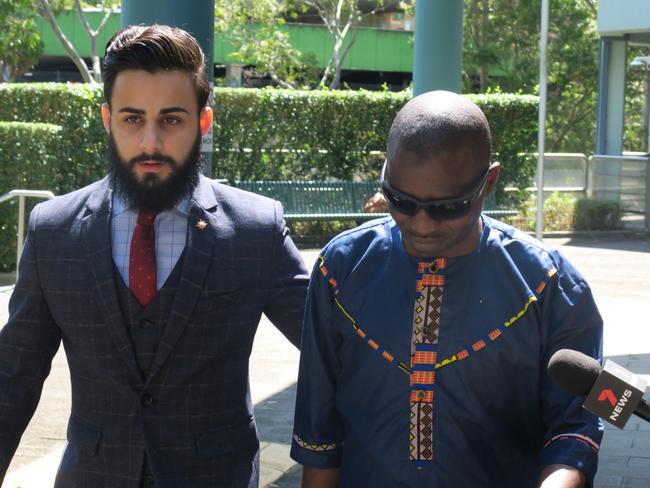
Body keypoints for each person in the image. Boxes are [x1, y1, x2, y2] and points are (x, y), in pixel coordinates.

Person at [0, 24, 309, 487]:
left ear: (202, 122)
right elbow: (13, 379)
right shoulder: (54, 232)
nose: (150, 142)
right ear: (107, 119)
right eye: (131, 119)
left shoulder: (255, 229)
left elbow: (330, 347)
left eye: (171, 119)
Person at [291, 91, 603, 488]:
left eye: (447, 207)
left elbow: (574, 429)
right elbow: (320, 430)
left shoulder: (549, 284)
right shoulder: (341, 267)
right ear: (385, 174)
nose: (421, 224)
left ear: (489, 182)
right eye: (400, 200)